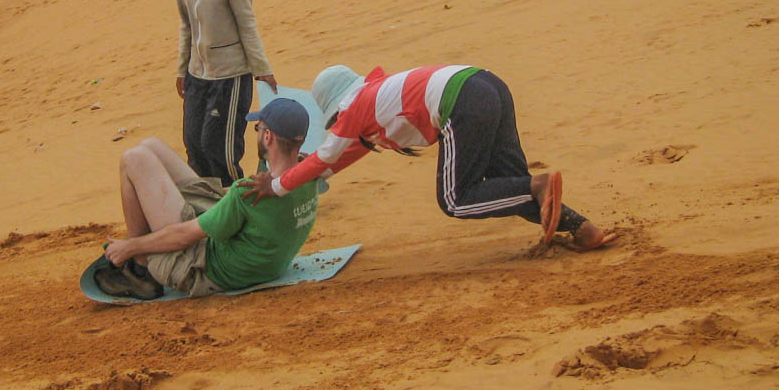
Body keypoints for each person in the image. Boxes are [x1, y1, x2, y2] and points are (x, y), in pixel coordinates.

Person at [242, 64, 617, 250]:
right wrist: (306, 176)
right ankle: (585, 230)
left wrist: (275, 186)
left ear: (337, 110)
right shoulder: (372, 103)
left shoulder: (356, 108)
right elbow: (338, 158)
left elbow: (325, 156)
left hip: (460, 103)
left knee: (455, 199)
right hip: (486, 85)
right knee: (507, 187)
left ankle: (540, 184)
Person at [98, 98, 320, 299]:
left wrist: (130, 247)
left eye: (258, 128)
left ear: (268, 136)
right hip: (254, 254)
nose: (257, 133)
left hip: (204, 270)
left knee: (134, 159)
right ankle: (139, 261)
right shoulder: (309, 173)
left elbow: (184, 236)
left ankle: (140, 270)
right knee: (150, 145)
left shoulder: (247, 193)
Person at [158, 0, 278, 185]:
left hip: (230, 76)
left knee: (219, 149)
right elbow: (186, 25)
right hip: (197, 75)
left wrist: (262, 69)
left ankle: (235, 203)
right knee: (195, 145)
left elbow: (247, 26)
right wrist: (181, 70)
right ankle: (208, 211)